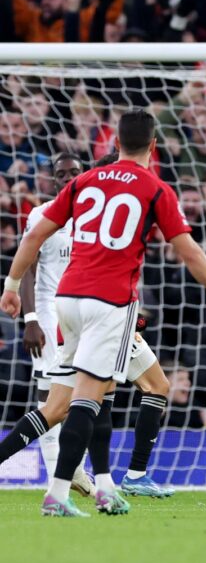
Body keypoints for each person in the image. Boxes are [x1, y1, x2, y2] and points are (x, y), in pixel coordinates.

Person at [0, 109, 206, 517]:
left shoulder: (84, 181)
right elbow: (190, 252)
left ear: (114, 144)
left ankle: (107, 487)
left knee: (72, 400)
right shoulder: (155, 188)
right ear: (154, 146)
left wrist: (10, 286)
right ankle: (59, 495)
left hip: (67, 303)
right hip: (110, 304)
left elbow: (36, 232)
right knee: (87, 401)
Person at [17, 151, 93, 495]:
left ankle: (76, 468)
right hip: (49, 312)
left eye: (74, 172)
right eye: (61, 174)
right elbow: (27, 267)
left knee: (86, 390)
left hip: (87, 311)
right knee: (49, 391)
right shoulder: (41, 214)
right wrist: (30, 318)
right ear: (52, 179)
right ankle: (56, 475)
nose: (67, 178)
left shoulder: (96, 213)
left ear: (83, 174)